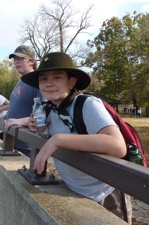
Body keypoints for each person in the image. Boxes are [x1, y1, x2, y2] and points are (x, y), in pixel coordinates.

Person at [21, 52, 132, 224]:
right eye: (43, 79)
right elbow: (44, 133)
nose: (49, 83)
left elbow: (117, 145)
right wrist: (34, 125)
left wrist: (58, 139)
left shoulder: (87, 105)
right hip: (73, 189)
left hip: (103, 193)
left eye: (57, 78)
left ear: (71, 82)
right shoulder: (49, 110)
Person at [0, 45, 43, 157]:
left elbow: (44, 114)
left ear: (32, 61)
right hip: (12, 140)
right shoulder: (21, 81)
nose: (16, 62)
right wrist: (4, 117)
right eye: (15, 59)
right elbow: (18, 105)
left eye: (21, 58)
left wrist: (20, 122)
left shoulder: (37, 82)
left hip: (27, 145)